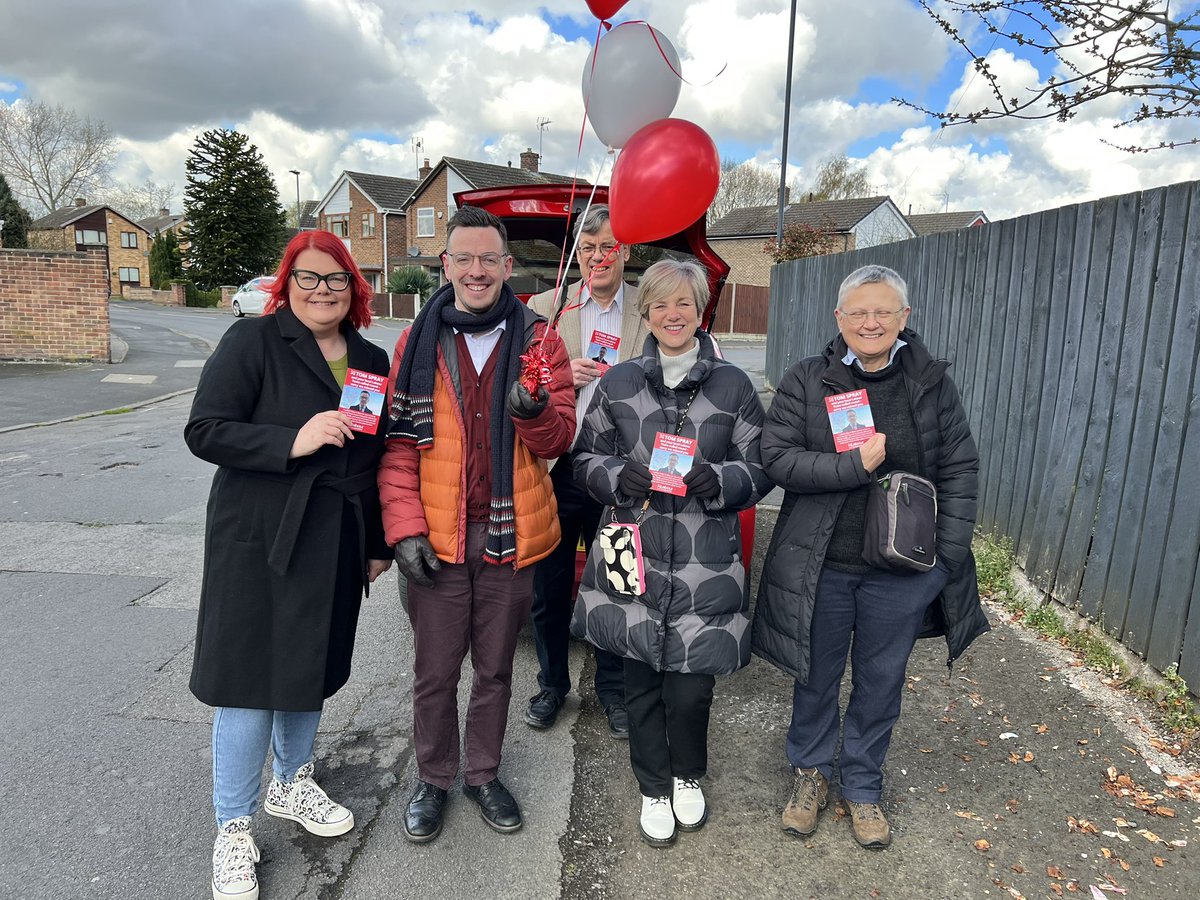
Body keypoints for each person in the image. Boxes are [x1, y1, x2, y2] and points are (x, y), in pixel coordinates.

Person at [184, 230, 393, 900]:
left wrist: (376, 544)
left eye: (335, 280)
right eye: (309, 278)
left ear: (353, 289)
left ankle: (292, 783)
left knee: (311, 668)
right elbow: (205, 429)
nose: (322, 290)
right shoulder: (252, 342)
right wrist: (291, 440)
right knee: (248, 680)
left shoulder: (369, 357)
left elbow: (373, 458)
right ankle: (233, 829)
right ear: (287, 281)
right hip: (258, 536)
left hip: (334, 536)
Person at [752, 264, 989, 850]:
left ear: (905, 318)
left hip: (904, 571)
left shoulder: (931, 384)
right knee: (816, 676)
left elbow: (960, 468)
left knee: (882, 682)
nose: (871, 322)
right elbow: (776, 458)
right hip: (824, 565)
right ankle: (810, 774)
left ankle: (862, 784)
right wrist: (850, 467)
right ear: (839, 319)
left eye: (884, 311)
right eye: (858, 312)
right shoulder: (809, 380)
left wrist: (946, 559)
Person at [378, 206, 575, 843]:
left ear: (508, 267)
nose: (476, 269)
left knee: (494, 670)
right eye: (464, 258)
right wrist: (404, 529)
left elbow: (560, 438)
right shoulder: (417, 341)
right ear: (446, 265)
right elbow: (398, 445)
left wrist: (534, 412)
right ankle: (433, 777)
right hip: (436, 536)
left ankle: (483, 772)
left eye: (489, 258)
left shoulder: (541, 339)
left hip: (508, 536)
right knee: (435, 673)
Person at [571, 259, 771, 847]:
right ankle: (653, 786)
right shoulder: (619, 382)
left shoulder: (734, 385)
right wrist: (619, 476)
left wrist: (721, 481)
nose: (672, 315)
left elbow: (762, 468)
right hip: (633, 550)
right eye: (660, 305)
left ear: (701, 307)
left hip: (703, 560)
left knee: (691, 689)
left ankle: (687, 775)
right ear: (647, 313)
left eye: (683, 303)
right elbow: (583, 460)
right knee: (640, 682)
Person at [524, 204, 649, 736]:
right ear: (576, 254)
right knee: (549, 586)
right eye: (589, 248)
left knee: (620, 582)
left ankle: (615, 693)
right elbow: (523, 383)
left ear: (627, 252)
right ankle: (552, 684)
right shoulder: (547, 306)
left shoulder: (649, 305)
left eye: (609, 247)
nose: (598, 258)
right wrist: (559, 374)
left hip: (623, 470)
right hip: (561, 464)